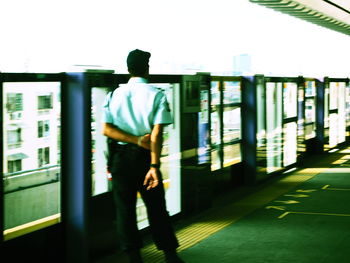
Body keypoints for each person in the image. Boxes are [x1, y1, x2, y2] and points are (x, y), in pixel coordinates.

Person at [101, 49, 185, 263]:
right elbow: (156, 134)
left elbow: (107, 130)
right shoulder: (156, 94)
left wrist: (133, 140)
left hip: (120, 159)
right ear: (147, 68)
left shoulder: (113, 95)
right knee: (157, 208)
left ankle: (134, 257)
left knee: (125, 211)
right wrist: (154, 165)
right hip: (145, 159)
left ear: (128, 69)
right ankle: (170, 255)